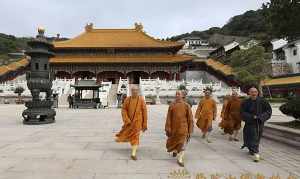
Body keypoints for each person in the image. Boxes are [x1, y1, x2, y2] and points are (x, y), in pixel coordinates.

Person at [115, 85, 148, 160]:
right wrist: (126, 119)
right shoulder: (127, 99)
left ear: (138, 91)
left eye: (136, 90)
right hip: (129, 122)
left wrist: (144, 123)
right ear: (131, 91)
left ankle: (133, 153)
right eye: (133, 90)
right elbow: (123, 110)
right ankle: (132, 146)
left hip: (137, 122)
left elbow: (145, 112)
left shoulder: (141, 100)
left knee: (136, 136)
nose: (134, 92)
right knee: (129, 135)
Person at [241, 86, 272, 162]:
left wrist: (260, 117)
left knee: (257, 137)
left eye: (255, 92)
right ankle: (254, 151)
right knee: (250, 136)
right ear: (249, 93)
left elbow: (268, 111)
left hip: (259, 122)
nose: (253, 93)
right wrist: (251, 117)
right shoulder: (245, 102)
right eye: (252, 92)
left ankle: (254, 151)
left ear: (257, 93)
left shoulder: (263, 101)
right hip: (250, 122)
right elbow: (242, 112)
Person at [165, 90, 193, 167]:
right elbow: (168, 118)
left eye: (179, 94)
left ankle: (180, 159)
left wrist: (190, 130)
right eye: (176, 94)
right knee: (175, 142)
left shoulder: (186, 105)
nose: (177, 95)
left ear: (182, 96)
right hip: (174, 129)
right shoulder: (172, 105)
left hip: (184, 128)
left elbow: (190, 118)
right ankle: (175, 150)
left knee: (183, 143)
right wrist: (168, 127)